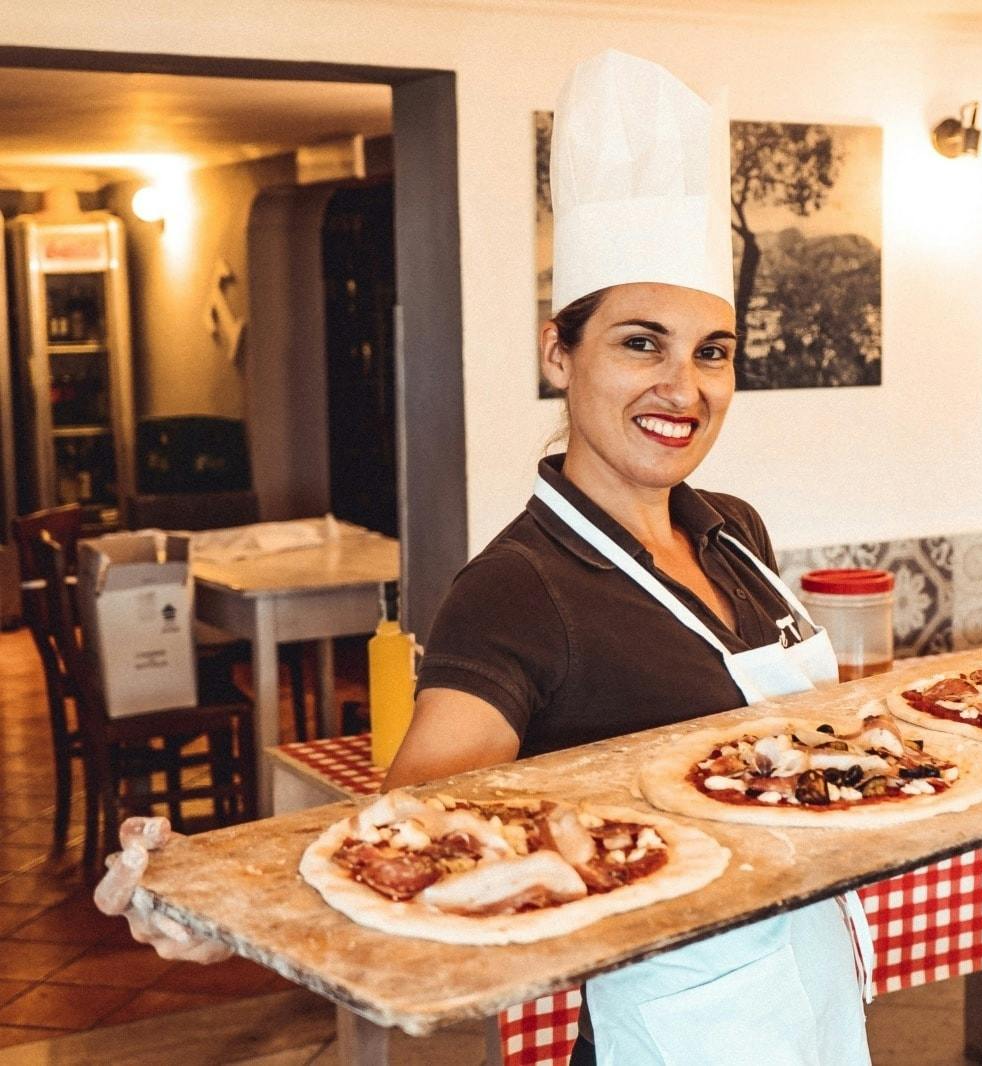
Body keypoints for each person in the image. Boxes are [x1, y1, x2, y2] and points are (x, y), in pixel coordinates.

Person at [96, 49, 872, 1066]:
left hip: (811, 978)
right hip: (676, 1023)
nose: (684, 385)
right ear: (561, 352)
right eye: (642, 342)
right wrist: (216, 893)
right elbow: (409, 829)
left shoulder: (734, 530)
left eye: (712, 350)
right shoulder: (516, 589)